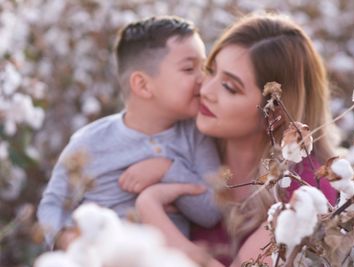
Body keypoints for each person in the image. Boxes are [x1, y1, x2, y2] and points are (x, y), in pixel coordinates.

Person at [133, 12, 339, 266]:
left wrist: (150, 209)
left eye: (230, 87)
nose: (205, 91)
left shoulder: (306, 189)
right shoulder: (182, 143)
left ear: (274, 112)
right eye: (210, 70)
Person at [37, 15, 221, 250]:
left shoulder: (197, 135)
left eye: (203, 67)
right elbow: (53, 204)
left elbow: (211, 211)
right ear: (143, 85)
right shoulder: (90, 142)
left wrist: (165, 169)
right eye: (189, 68)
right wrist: (67, 239)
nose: (203, 78)